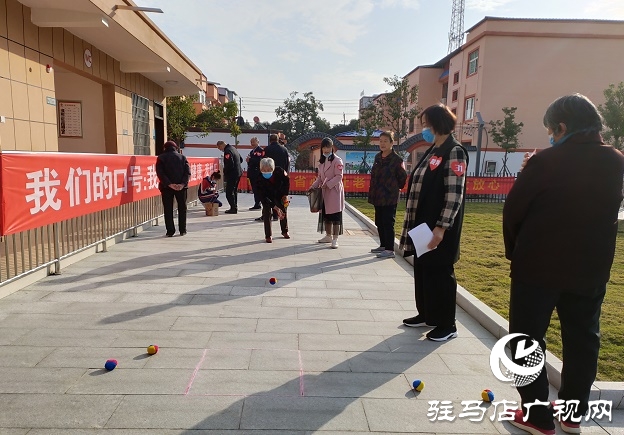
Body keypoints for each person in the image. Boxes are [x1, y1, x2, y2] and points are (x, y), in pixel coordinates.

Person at [503, 94, 624, 435]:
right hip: (591, 268)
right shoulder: (616, 161)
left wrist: (516, 252)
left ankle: (537, 416)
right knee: (583, 338)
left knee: (526, 339)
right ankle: (572, 414)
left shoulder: (545, 162)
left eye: (550, 129)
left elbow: (513, 212)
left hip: (537, 267)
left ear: (562, 126)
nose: (550, 136)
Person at [398, 104, 468, 342]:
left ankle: (447, 324)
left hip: (438, 226)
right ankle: (427, 314)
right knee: (424, 269)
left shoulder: (454, 151)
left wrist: (441, 227)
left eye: (427, 124)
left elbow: (453, 194)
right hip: (422, 224)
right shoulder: (433, 149)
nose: (424, 129)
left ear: (438, 123)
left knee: (440, 273)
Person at [368, 131, 407, 259]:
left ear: (392, 143)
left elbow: (402, 177)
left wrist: (393, 188)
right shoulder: (378, 158)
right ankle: (383, 245)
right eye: (380, 141)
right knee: (379, 221)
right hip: (377, 195)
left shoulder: (397, 160)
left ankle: (390, 249)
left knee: (388, 222)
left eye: (385, 141)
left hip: (389, 197)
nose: (382, 143)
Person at [310, 137, 345, 249]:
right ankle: (328, 235)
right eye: (324, 147)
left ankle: (335, 239)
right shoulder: (322, 161)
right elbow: (319, 177)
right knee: (326, 214)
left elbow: (339, 176)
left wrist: (328, 184)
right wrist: (313, 186)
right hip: (324, 192)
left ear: (332, 147)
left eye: (328, 147)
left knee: (335, 215)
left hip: (334, 191)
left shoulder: (337, 160)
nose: (326, 149)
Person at [156, 140, 191, 237]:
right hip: (181, 188)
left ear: (165, 148)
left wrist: (169, 184)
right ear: (176, 148)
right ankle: (182, 230)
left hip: (166, 187)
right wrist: (182, 184)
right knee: (182, 208)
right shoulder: (182, 157)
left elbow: (160, 173)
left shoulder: (161, 158)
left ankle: (170, 231)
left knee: (168, 209)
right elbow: (187, 172)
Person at [255, 157, 290, 243]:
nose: (266, 171)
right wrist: (274, 207)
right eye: (264, 169)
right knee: (267, 213)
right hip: (267, 197)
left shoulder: (280, 171)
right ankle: (268, 235)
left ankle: (285, 231)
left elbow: (287, 182)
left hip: (279, 194)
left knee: (283, 211)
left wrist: (285, 195)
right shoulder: (258, 178)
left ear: (273, 168)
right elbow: (262, 196)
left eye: (268, 169)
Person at [216, 140, 243, 214]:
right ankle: (234, 206)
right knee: (234, 191)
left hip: (232, 174)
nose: (220, 149)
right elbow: (241, 159)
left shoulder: (227, 151)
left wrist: (225, 171)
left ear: (221, 145)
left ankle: (233, 208)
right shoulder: (233, 148)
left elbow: (230, 164)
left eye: (219, 148)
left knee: (229, 192)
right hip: (238, 173)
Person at [246, 136, 264, 210]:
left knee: (258, 189)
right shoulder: (252, 151)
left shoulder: (260, 150)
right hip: (252, 173)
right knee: (254, 189)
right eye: (251, 142)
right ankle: (257, 203)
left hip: (257, 173)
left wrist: (250, 160)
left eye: (253, 142)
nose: (252, 144)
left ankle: (258, 203)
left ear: (257, 142)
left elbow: (260, 161)